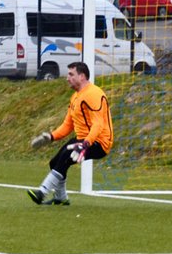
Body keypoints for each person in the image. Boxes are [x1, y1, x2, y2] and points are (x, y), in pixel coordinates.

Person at [27, 61, 113, 206]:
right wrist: (51, 136)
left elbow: (98, 124)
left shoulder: (93, 93)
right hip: (83, 140)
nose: (67, 78)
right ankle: (61, 198)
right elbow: (68, 125)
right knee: (54, 162)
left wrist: (86, 144)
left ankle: (42, 191)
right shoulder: (75, 96)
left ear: (82, 76)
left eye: (71, 74)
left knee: (65, 158)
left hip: (99, 142)